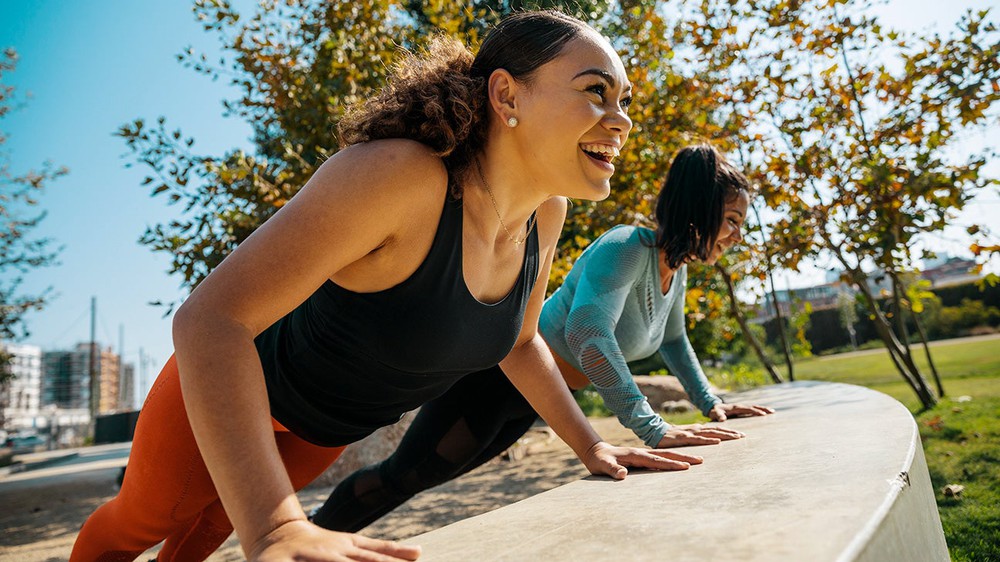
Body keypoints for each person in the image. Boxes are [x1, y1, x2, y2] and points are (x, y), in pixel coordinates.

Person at [70, 10, 705, 562]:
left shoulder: (545, 213)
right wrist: (274, 524)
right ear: (507, 97)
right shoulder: (399, 177)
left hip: (324, 426)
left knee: (210, 529)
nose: (620, 120)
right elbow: (209, 321)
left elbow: (519, 342)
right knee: (142, 525)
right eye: (596, 92)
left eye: (625, 101)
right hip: (229, 388)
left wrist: (595, 446)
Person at [310, 144, 775, 533]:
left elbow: (674, 341)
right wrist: (652, 428)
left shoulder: (675, 271)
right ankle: (311, 533)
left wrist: (711, 402)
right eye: (732, 219)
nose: (737, 234)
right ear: (700, 207)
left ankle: (319, 539)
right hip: (496, 381)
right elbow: (588, 334)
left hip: (539, 398)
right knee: (407, 475)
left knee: (422, 477)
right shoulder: (628, 248)